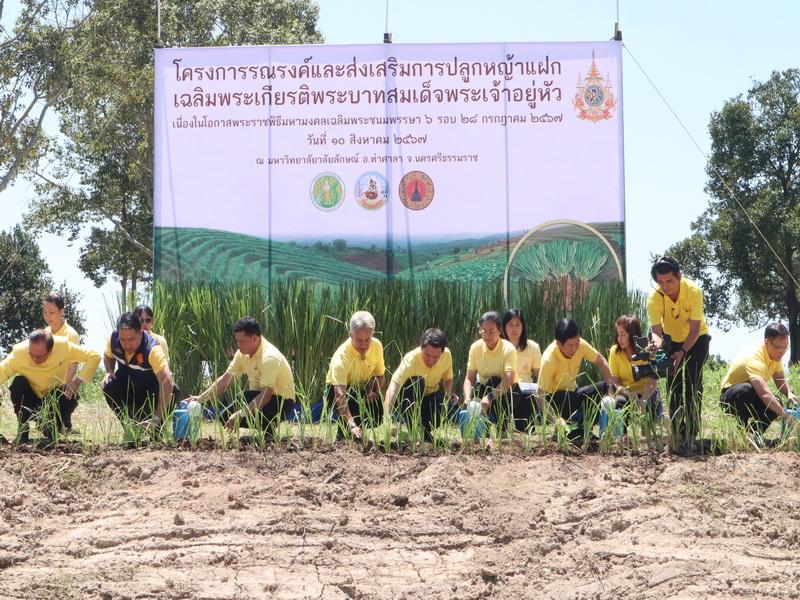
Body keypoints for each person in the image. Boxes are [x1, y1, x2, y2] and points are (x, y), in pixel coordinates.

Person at [186, 317, 295, 441]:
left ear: (254, 338)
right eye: (237, 341)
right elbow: (225, 380)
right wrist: (201, 398)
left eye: (242, 341)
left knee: (242, 398)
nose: (239, 345)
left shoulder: (269, 357)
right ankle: (267, 436)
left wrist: (241, 414)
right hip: (260, 398)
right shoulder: (242, 354)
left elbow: (266, 396)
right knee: (225, 416)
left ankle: (267, 434)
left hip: (281, 402)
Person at [647, 256, 711, 454]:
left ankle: (691, 434)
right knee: (673, 386)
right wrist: (655, 345)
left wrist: (682, 352)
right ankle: (676, 434)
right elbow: (657, 332)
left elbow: (694, 330)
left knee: (692, 384)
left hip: (696, 340)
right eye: (661, 282)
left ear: (679, 276)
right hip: (671, 340)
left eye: (670, 281)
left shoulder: (693, 292)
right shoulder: (654, 299)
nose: (666, 286)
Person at [0, 329, 100, 444]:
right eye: (31, 354)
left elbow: (94, 356)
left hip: (53, 401)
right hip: (30, 400)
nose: (34, 358)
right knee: (18, 383)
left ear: (50, 351)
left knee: (69, 395)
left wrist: (76, 382)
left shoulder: (63, 347)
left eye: (39, 356)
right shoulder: (19, 353)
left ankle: (51, 428)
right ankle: (23, 430)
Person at [537, 318, 615, 443]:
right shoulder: (549, 359)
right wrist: (556, 420)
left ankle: (582, 429)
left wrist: (610, 391)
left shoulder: (581, 345)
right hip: (556, 400)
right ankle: (565, 429)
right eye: (570, 345)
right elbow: (539, 395)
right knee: (563, 397)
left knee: (603, 387)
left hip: (574, 393)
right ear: (559, 343)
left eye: (577, 343)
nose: (575, 348)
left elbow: (602, 362)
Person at [102, 312, 175, 442]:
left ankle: (157, 430)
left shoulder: (152, 349)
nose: (127, 344)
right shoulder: (113, 340)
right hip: (128, 393)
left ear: (141, 332)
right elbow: (107, 356)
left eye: (131, 339)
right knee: (109, 384)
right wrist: (109, 371)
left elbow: (167, 380)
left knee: (174, 391)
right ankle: (129, 428)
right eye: (123, 340)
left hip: (150, 397)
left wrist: (157, 417)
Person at [719, 323, 798, 440]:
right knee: (747, 390)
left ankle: (752, 436)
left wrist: (789, 393)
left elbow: (779, 379)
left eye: (786, 347)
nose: (782, 352)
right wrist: (786, 416)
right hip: (730, 397)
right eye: (779, 348)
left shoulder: (775, 355)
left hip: (752, 393)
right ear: (767, 342)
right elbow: (764, 393)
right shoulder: (755, 357)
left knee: (775, 404)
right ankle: (741, 431)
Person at [383, 328, 458, 442]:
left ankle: (425, 433)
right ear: (421, 347)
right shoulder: (411, 359)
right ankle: (412, 428)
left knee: (448, 406)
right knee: (418, 382)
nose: (431, 360)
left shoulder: (447, 355)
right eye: (427, 355)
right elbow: (394, 385)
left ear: (441, 353)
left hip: (431, 395)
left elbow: (448, 378)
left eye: (435, 357)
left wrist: (448, 394)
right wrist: (387, 414)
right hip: (410, 398)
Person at [325, 311, 386, 439]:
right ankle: (348, 429)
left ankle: (357, 431)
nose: (363, 345)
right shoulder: (342, 356)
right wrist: (352, 424)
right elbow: (339, 394)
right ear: (350, 335)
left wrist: (373, 391)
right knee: (349, 424)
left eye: (367, 340)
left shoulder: (377, 346)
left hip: (362, 388)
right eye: (359, 340)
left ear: (372, 334)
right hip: (339, 392)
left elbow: (381, 377)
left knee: (377, 412)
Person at [463, 311, 517, 430]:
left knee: (494, 381)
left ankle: (502, 428)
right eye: (484, 331)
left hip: (507, 390)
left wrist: (490, 396)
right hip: (483, 386)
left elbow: (509, 379)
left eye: (492, 331)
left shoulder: (508, 348)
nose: (488, 335)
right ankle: (483, 429)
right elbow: (469, 377)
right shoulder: (475, 347)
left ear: (499, 330)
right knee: (483, 387)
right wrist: (467, 398)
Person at [607, 315, 663, 423]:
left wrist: (643, 400)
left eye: (622, 334)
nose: (619, 338)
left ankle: (652, 426)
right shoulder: (615, 351)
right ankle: (622, 434)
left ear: (633, 335)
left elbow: (652, 383)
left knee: (653, 405)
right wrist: (629, 393)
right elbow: (615, 383)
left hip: (647, 392)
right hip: (626, 392)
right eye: (618, 334)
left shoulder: (647, 351)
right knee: (619, 401)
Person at [40, 290, 81, 431]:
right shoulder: (45, 333)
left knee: (54, 427)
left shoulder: (71, 334)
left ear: (61, 311)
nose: (48, 316)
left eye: (51, 312)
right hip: (45, 384)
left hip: (62, 386)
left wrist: (67, 384)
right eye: (45, 312)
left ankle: (64, 417)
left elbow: (73, 364)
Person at [501, 308, 542, 431]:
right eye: (510, 325)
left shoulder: (533, 347)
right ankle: (502, 424)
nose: (514, 329)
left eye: (518, 325)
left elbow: (540, 375)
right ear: (503, 327)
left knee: (526, 429)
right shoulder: (499, 347)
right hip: (506, 390)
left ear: (523, 327)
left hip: (526, 392)